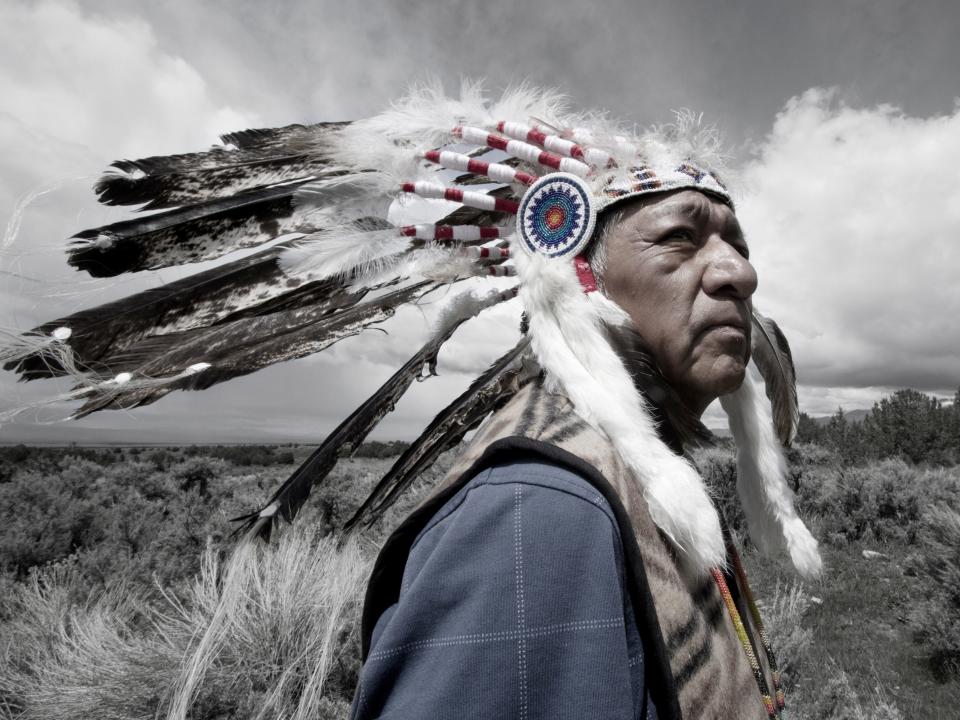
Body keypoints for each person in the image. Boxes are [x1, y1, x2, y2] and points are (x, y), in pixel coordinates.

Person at [350, 147, 819, 718]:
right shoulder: (539, 509)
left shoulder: (636, 467)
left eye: (737, 246)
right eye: (680, 237)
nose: (740, 273)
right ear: (580, 279)